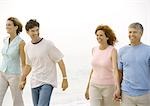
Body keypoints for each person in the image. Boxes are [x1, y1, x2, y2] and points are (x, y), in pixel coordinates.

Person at [19, 19, 68, 106]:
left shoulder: (48, 44)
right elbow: (29, 65)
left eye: (37, 30)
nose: (35, 33)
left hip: (47, 82)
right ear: (27, 32)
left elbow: (60, 60)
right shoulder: (27, 47)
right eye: (32, 31)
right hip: (34, 82)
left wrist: (65, 79)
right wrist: (22, 79)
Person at [85, 25, 120, 106]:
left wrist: (118, 88)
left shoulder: (112, 50)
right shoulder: (94, 49)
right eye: (97, 35)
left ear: (107, 37)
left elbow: (115, 70)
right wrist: (87, 88)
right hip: (94, 85)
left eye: (101, 35)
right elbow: (93, 69)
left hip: (109, 86)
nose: (98, 37)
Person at [118, 22, 150, 106]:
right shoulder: (122, 51)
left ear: (141, 33)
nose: (131, 34)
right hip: (126, 93)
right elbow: (120, 72)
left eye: (134, 32)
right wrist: (117, 89)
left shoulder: (148, 50)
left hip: (145, 94)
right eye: (130, 32)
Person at [0, 17, 25, 106]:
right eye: (6, 25)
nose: (7, 26)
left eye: (9, 25)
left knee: (17, 101)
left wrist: (23, 79)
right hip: (2, 73)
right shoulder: (5, 40)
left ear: (16, 27)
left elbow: (23, 63)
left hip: (15, 75)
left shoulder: (21, 43)